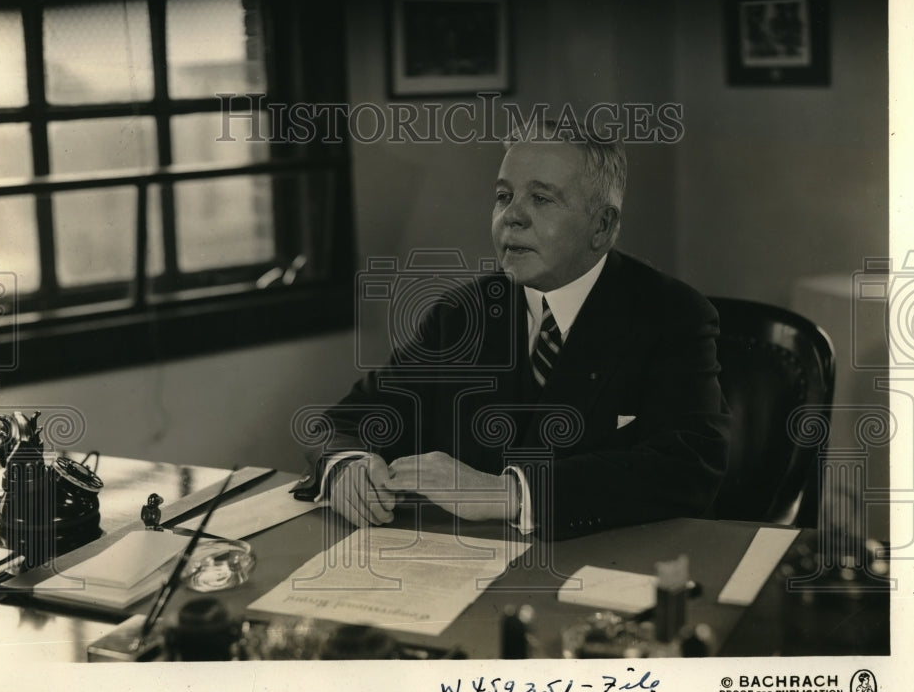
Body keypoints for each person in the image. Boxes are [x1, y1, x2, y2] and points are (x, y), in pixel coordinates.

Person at [292, 119, 729, 540]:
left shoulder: (673, 315)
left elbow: (688, 467)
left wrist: (509, 493)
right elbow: (342, 420)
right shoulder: (461, 315)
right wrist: (345, 465)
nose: (512, 218)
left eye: (541, 199)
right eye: (503, 196)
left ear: (603, 226)